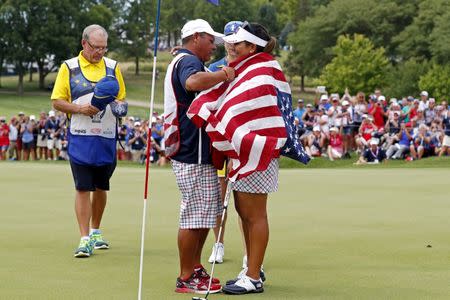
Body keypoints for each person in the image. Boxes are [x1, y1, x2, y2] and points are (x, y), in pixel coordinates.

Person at [163, 19, 235, 294]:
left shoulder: (185, 59)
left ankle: (193, 269)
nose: (213, 47)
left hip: (195, 149)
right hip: (191, 149)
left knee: (204, 214)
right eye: (210, 41)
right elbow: (193, 82)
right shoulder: (188, 62)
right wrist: (223, 74)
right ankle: (185, 275)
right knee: (194, 215)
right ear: (196, 38)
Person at [219, 21, 284, 295]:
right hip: (245, 150)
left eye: (239, 43)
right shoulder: (248, 68)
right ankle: (250, 270)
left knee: (255, 215)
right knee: (244, 213)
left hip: (259, 149)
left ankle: (254, 276)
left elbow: (254, 110)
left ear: (253, 46)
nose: (232, 46)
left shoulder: (263, 67)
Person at [51, 24, 127, 258]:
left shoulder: (113, 67)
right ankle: (84, 238)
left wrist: (118, 107)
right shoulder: (69, 67)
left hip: (105, 138)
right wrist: (80, 108)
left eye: (104, 48)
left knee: (101, 187)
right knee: (83, 187)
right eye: (96, 48)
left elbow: (122, 101)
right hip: (81, 137)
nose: (100, 52)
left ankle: (96, 231)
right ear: (84, 43)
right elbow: (57, 101)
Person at [206, 20, 242, 265]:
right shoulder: (214, 68)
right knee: (219, 197)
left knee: (245, 201)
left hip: (244, 142)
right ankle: (218, 243)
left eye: (236, 41)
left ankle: (250, 254)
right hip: (220, 140)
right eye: (228, 40)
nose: (231, 45)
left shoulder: (253, 67)